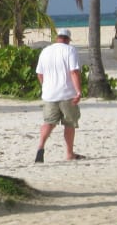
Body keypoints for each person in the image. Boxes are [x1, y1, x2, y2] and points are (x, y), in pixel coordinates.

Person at [34, 29, 84, 162]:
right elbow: (74, 72)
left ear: (57, 38)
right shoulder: (70, 50)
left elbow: (39, 73)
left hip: (49, 94)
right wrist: (78, 91)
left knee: (48, 122)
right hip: (67, 93)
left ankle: (40, 146)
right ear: (68, 39)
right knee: (69, 123)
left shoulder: (45, 51)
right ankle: (69, 153)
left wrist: (45, 86)